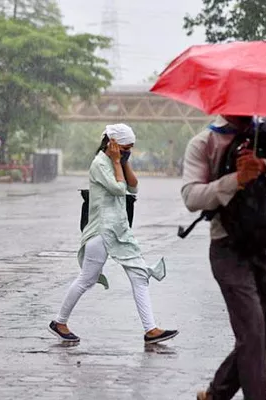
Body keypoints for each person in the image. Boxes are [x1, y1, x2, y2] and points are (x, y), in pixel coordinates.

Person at [182, 116, 266, 400]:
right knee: (253, 333)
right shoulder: (204, 143)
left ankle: (215, 395)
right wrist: (235, 180)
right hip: (228, 248)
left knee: (260, 337)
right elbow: (192, 197)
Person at [49, 124, 178, 344]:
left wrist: (123, 162)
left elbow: (133, 187)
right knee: (86, 279)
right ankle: (59, 322)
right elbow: (119, 189)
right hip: (102, 231)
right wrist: (118, 162)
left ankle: (151, 329)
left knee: (139, 276)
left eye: (131, 148)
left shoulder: (116, 163)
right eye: (126, 147)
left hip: (119, 230)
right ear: (113, 144)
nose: (129, 151)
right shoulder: (100, 163)